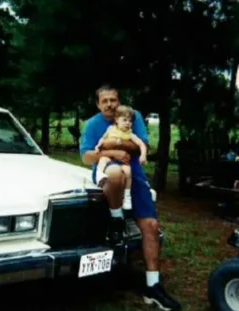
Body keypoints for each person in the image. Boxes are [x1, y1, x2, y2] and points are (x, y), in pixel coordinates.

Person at [79, 84, 181, 310]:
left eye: (113, 100)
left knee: (152, 226)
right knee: (115, 173)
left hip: (135, 176)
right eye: (104, 101)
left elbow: (140, 145)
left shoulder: (131, 117)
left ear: (118, 100)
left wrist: (112, 145)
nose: (109, 104)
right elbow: (87, 156)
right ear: (98, 104)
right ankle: (117, 219)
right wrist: (111, 152)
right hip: (109, 174)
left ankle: (153, 286)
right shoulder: (93, 124)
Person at [94, 105, 148, 211]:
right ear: (116, 120)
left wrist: (143, 155)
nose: (128, 123)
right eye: (125, 120)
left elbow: (141, 144)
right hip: (109, 158)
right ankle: (99, 176)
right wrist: (98, 146)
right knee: (102, 160)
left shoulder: (130, 134)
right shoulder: (110, 129)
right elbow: (103, 138)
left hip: (123, 161)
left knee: (128, 172)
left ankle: (127, 196)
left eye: (130, 121)